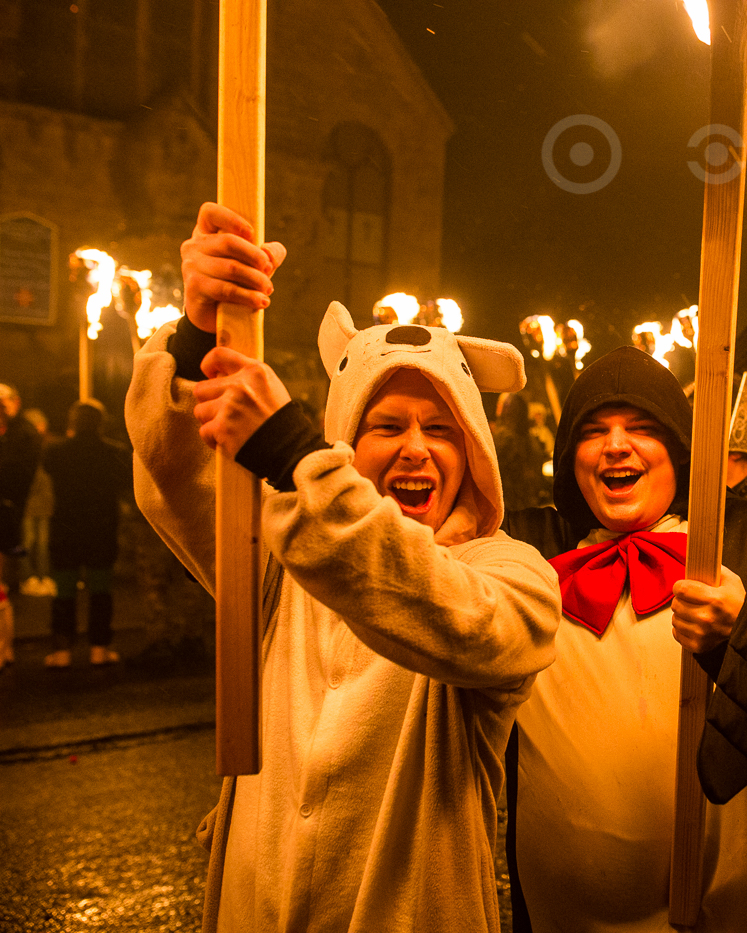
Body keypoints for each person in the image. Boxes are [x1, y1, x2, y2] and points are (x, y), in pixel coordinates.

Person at [126, 202, 560, 932]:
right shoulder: (282, 558)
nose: (416, 448)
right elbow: (175, 471)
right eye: (387, 425)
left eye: (442, 428)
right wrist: (199, 329)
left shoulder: (511, 574)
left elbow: (463, 619)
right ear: (344, 442)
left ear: (477, 454)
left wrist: (294, 456)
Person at [501, 346, 747, 932]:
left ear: (679, 449)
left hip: (726, 906)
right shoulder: (530, 547)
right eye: (595, 432)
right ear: (571, 458)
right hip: (561, 912)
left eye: (641, 428)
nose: (617, 444)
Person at [41, 400, 132, 668]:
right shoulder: (114, 452)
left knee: (64, 591)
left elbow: (49, 471)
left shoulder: (55, 452)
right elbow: (124, 482)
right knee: (100, 590)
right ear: (100, 423)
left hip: (66, 530)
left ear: (73, 422)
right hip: (101, 529)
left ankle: (62, 651)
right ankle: (99, 648)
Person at [0, 382, 43, 670]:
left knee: (1, 586)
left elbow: (18, 474)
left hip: (6, 516)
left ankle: (5, 649)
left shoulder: (23, 434)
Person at [18, 408, 55, 597]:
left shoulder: (47, 445)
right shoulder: (25, 447)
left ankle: (43, 576)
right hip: (28, 504)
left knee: (43, 542)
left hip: (44, 503)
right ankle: (28, 578)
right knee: (29, 541)